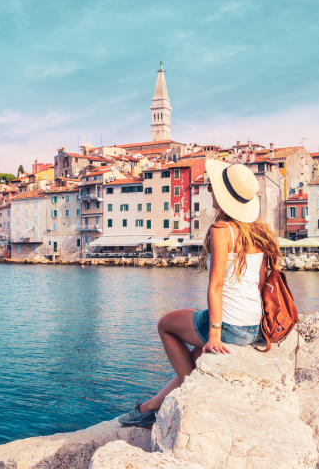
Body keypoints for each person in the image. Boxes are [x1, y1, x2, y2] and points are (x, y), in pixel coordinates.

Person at [118, 159, 282, 427]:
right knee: (193, 358)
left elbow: (216, 284)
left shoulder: (222, 230)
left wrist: (215, 335)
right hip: (252, 326)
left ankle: (188, 395)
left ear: (224, 196)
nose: (209, 190)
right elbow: (261, 283)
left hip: (229, 326)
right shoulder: (259, 231)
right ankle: (149, 409)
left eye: (213, 187)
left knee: (166, 324)